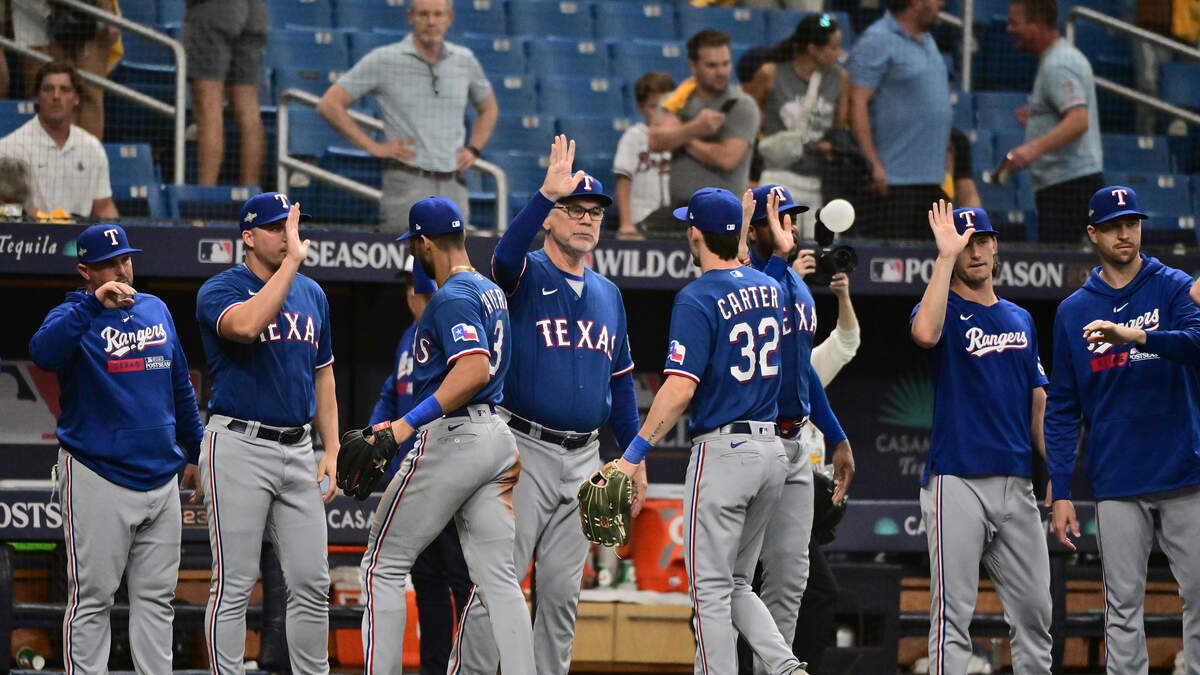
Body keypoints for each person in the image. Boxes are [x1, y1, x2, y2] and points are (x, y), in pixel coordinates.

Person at [449, 136, 644, 675]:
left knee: (561, 599)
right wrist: (541, 195)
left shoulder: (610, 294)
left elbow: (623, 381)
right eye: (574, 210)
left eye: (594, 213)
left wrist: (633, 456)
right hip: (523, 451)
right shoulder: (527, 273)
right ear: (552, 220)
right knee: (499, 587)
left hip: (584, 460)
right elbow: (502, 256)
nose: (586, 220)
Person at [611, 187, 809, 675]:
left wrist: (633, 453)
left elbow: (678, 388)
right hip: (772, 452)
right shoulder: (769, 286)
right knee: (738, 584)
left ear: (694, 233)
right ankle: (785, 667)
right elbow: (745, 270)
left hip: (725, 452)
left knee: (712, 594)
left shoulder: (696, 296)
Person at [356, 196, 533, 674]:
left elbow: (473, 370)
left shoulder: (451, 296)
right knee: (498, 578)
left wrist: (404, 424)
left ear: (425, 241)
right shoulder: (489, 289)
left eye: (413, 242)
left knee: (381, 567)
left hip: (455, 435)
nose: (413, 250)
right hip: (497, 435)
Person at [29, 223, 204, 673]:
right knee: (93, 599)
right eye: (109, 264)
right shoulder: (72, 314)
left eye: (125, 259)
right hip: (97, 475)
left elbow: (180, 387)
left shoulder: (156, 309)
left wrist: (198, 452)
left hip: (161, 480)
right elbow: (43, 354)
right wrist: (91, 306)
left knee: (157, 602)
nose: (122, 270)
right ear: (84, 270)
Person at [1045, 186, 1200, 675]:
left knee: (1199, 598)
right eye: (1113, 225)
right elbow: (1063, 406)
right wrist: (1063, 489)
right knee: (1123, 609)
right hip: (1117, 480)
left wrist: (1137, 336)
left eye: (1131, 222)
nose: (1125, 233)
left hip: (1184, 472)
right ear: (1094, 233)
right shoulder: (1073, 310)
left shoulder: (1173, 285)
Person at [194, 192, 340, 674]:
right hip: (238, 444)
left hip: (298, 448)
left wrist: (333, 447)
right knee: (234, 584)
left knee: (312, 581)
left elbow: (324, 374)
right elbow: (248, 324)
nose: (289, 235)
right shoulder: (220, 287)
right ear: (248, 237)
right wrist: (290, 267)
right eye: (278, 228)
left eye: (293, 226)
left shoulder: (312, 293)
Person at [909, 202, 1053, 674]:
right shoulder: (943, 307)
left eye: (981, 241)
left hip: (1016, 482)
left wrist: (1056, 473)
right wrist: (944, 258)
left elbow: (1038, 405)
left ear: (995, 247)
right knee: (952, 616)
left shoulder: (1020, 318)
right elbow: (925, 333)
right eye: (965, 242)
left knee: (1036, 614)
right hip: (958, 478)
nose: (974, 251)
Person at [744, 185, 854, 675]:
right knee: (733, 580)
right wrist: (780, 264)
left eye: (791, 215)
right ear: (752, 229)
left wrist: (836, 433)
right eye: (775, 216)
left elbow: (804, 370)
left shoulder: (795, 287)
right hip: (746, 442)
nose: (788, 224)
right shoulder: (741, 277)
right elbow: (754, 309)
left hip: (791, 445)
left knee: (791, 579)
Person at [368, 258, 472, 675]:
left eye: (415, 285)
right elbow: (391, 396)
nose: (409, 294)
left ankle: (470, 666)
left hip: (446, 475)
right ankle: (433, 669)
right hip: (411, 477)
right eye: (407, 287)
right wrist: (375, 439)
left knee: (464, 583)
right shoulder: (408, 338)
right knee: (428, 583)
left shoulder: (450, 329)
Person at [317, 0, 499, 231]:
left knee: (456, 265)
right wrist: (374, 146)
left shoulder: (465, 60)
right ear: (410, 17)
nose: (431, 21)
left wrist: (474, 148)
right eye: (423, 14)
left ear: (449, 18)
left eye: (437, 14)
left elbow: (489, 108)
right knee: (404, 264)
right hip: (407, 185)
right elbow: (330, 104)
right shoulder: (385, 59)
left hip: (454, 186)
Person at [847, 0, 952, 240]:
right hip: (892, 182)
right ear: (916, 3)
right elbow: (857, 102)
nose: (941, 4)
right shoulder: (877, 40)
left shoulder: (929, 41)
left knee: (930, 266)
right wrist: (872, 162)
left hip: (931, 179)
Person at [1005, 0, 1104, 244]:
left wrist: (1031, 150)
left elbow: (1079, 120)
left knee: (1062, 270)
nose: (1008, 29)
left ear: (1037, 24)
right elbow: (1068, 109)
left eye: (1014, 23)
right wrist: (1039, 114)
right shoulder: (1059, 58)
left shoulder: (1058, 64)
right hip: (1067, 183)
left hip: (1068, 188)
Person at [743, 14, 850, 238]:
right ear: (813, 48)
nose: (839, 54)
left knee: (819, 249)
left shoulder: (840, 78)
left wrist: (831, 146)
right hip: (778, 175)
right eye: (834, 47)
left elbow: (839, 127)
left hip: (819, 181)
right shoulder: (771, 73)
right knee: (773, 244)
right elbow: (745, 115)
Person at [646, 29, 760, 233]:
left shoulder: (742, 105)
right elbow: (655, 142)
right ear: (693, 66)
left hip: (724, 217)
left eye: (725, 63)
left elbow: (727, 158)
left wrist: (681, 135)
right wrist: (695, 128)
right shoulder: (676, 101)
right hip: (681, 212)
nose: (722, 71)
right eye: (712, 65)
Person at [0, 61, 117, 219]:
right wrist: (38, 219)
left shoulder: (92, 148)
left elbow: (103, 208)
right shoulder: (10, 148)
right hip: (29, 238)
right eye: (48, 89)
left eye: (64, 90)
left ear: (76, 98)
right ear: (36, 97)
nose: (56, 96)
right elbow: (5, 209)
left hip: (79, 239)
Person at [183, 0, 268, 186]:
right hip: (255, 10)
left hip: (214, 8)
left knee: (209, 108)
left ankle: (204, 197)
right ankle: (251, 196)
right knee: (248, 110)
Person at [12, 0, 121, 139]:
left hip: (90, 17)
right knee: (62, 91)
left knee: (90, 94)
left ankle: (91, 157)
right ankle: (64, 152)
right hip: (53, 17)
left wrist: (108, 13)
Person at [613, 71, 675, 240]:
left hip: (676, 222)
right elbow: (623, 181)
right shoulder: (634, 136)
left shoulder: (681, 136)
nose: (660, 112)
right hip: (641, 221)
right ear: (641, 106)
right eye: (654, 106)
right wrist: (626, 225)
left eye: (666, 106)